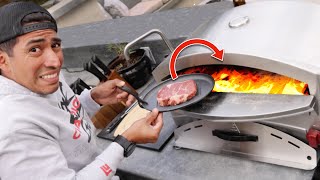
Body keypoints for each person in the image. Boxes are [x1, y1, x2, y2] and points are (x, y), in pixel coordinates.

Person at [0, 1, 163, 180]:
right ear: (3, 60)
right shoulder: (14, 130)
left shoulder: (38, 77)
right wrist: (125, 142)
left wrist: (92, 98)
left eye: (54, 45)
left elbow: (63, 117)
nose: (54, 61)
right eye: (35, 49)